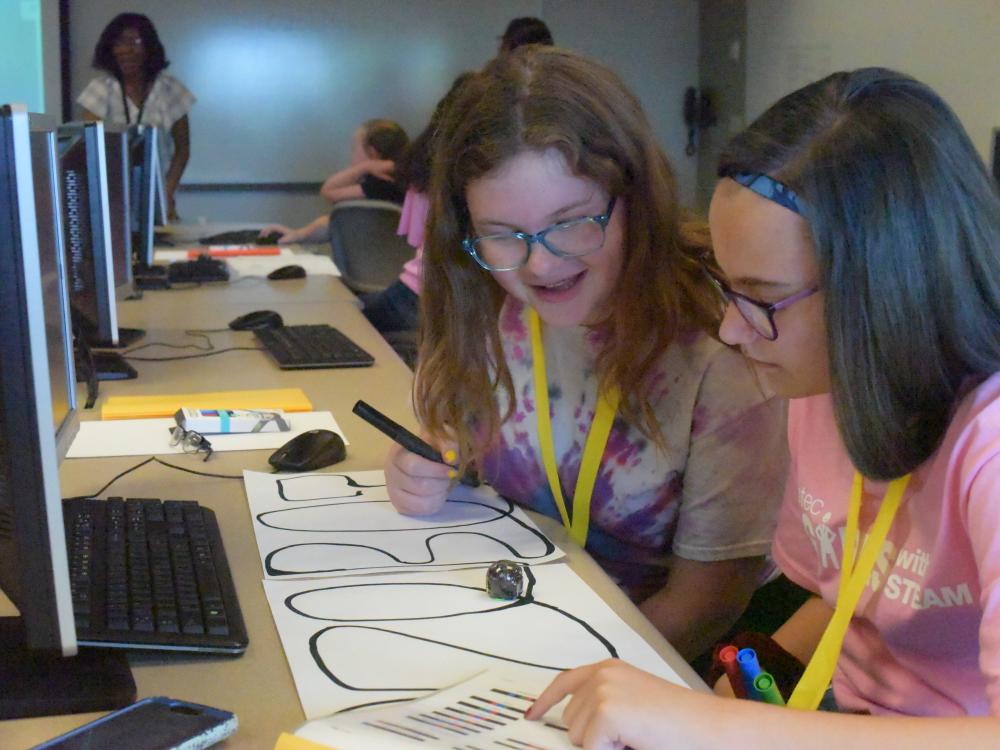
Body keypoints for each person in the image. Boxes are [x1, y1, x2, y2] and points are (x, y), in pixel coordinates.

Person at [526, 67, 1000, 748]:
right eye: (729, 287)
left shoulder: (988, 440)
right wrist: (726, 689)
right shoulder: (818, 385)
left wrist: (716, 725)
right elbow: (846, 607)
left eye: (764, 297)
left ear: (882, 288)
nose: (731, 330)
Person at [384, 47, 789, 662]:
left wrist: (551, 680)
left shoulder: (723, 341)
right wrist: (425, 469)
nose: (540, 264)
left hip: (638, 667)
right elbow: (461, 450)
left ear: (634, 200)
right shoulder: (480, 297)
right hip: (504, 626)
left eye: (572, 221)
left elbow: (706, 606)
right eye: (502, 234)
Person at [355, 74, 474, 347]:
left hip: (415, 293)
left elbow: (416, 238)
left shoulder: (426, 166)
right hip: (438, 299)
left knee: (347, 318)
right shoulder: (471, 172)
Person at [78, 13, 194, 220]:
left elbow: (182, 150)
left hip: (159, 196)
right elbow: (90, 149)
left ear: (150, 47)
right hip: (110, 199)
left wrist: (166, 192)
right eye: (119, 43)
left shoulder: (170, 89)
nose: (126, 50)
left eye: (135, 42)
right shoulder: (99, 90)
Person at [260, 119, 408, 245]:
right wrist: (298, 234)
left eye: (353, 149)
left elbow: (328, 191)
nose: (351, 156)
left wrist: (364, 167)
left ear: (372, 153)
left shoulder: (380, 185)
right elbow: (333, 221)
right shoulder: (404, 183)